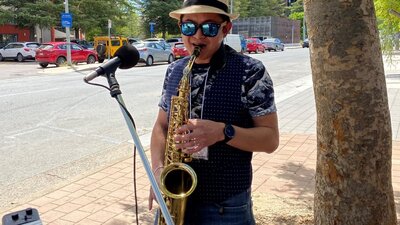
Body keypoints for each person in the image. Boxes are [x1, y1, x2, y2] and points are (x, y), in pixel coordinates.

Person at [148, 0, 279, 224]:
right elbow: (161, 126)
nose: (197, 36)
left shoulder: (251, 71)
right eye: (189, 26)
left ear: (226, 29)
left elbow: (270, 140)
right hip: (174, 195)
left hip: (225, 205)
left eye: (209, 27)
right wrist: (158, 172)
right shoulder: (175, 69)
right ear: (180, 27)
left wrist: (223, 132)